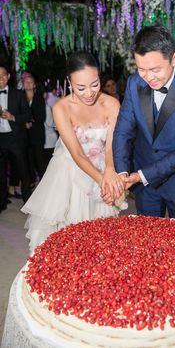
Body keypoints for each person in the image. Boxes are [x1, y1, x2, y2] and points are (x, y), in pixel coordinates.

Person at [21, 51, 126, 253]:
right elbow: (77, 154)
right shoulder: (61, 108)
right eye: (81, 87)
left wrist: (110, 170)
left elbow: (113, 144)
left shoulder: (112, 103)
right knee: (69, 238)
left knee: (100, 239)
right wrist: (102, 180)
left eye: (94, 84)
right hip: (70, 173)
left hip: (103, 166)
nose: (89, 93)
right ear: (69, 82)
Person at [111, 25, 175, 225]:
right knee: (148, 244)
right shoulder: (134, 83)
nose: (148, 77)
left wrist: (141, 176)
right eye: (141, 69)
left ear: (174, 58)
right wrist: (123, 172)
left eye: (155, 69)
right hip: (144, 185)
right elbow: (123, 130)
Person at [0, 65, 32, 211]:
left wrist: (12, 117)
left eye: (3, 75)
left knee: (23, 171)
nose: (0, 78)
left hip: (16, 139)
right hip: (0, 139)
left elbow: (27, 115)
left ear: (8, 76)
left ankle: (28, 202)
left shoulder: (18, 94)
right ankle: (2, 201)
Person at [23, 74, 47, 186]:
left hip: (37, 134)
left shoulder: (39, 98)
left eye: (30, 82)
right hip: (24, 134)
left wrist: (30, 121)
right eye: (25, 82)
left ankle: (43, 182)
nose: (28, 83)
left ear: (34, 85)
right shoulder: (20, 97)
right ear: (23, 84)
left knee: (40, 159)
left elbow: (42, 117)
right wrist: (24, 122)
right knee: (28, 159)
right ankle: (31, 181)